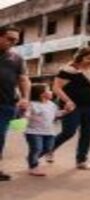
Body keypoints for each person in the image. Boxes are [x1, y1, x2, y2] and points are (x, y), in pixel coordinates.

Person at [0, 26, 31, 181]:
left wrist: (25, 97)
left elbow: (23, 79)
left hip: (5, 103)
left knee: (0, 136)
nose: (13, 43)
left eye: (16, 41)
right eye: (10, 39)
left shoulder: (17, 59)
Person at [25, 84, 65, 176]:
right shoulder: (32, 104)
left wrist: (66, 111)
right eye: (48, 90)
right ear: (41, 94)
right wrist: (28, 116)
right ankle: (33, 167)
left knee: (48, 148)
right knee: (36, 148)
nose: (51, 92)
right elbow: (26, 114)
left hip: (49, 132)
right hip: (33, 131)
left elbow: (56, 114)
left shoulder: (52, 104)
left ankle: (31, 158)